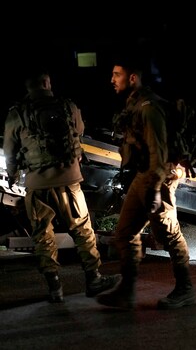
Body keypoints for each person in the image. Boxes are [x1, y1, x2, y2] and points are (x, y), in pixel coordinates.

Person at [2, 68, 121, 303]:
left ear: (28, 87)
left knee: (42, 236)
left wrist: (14, 175)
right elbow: (79, 132)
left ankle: (54, 286)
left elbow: (10, 151)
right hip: (69, 180)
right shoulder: (68, 106)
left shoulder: (17, 113)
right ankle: (93, 278)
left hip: (37, 184)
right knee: (82, 229)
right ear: (47, 82)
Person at [96, 55, 196, 310]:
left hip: (159, 175)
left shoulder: (149, 108)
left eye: (116, 74)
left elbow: (159, 154)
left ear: (133, 78)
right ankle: (127, 291)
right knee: (125, 231)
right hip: (146, 173)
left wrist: (154, 190)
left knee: (167, 232)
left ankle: (185, 289)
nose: (111, 80)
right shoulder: (135, 104)